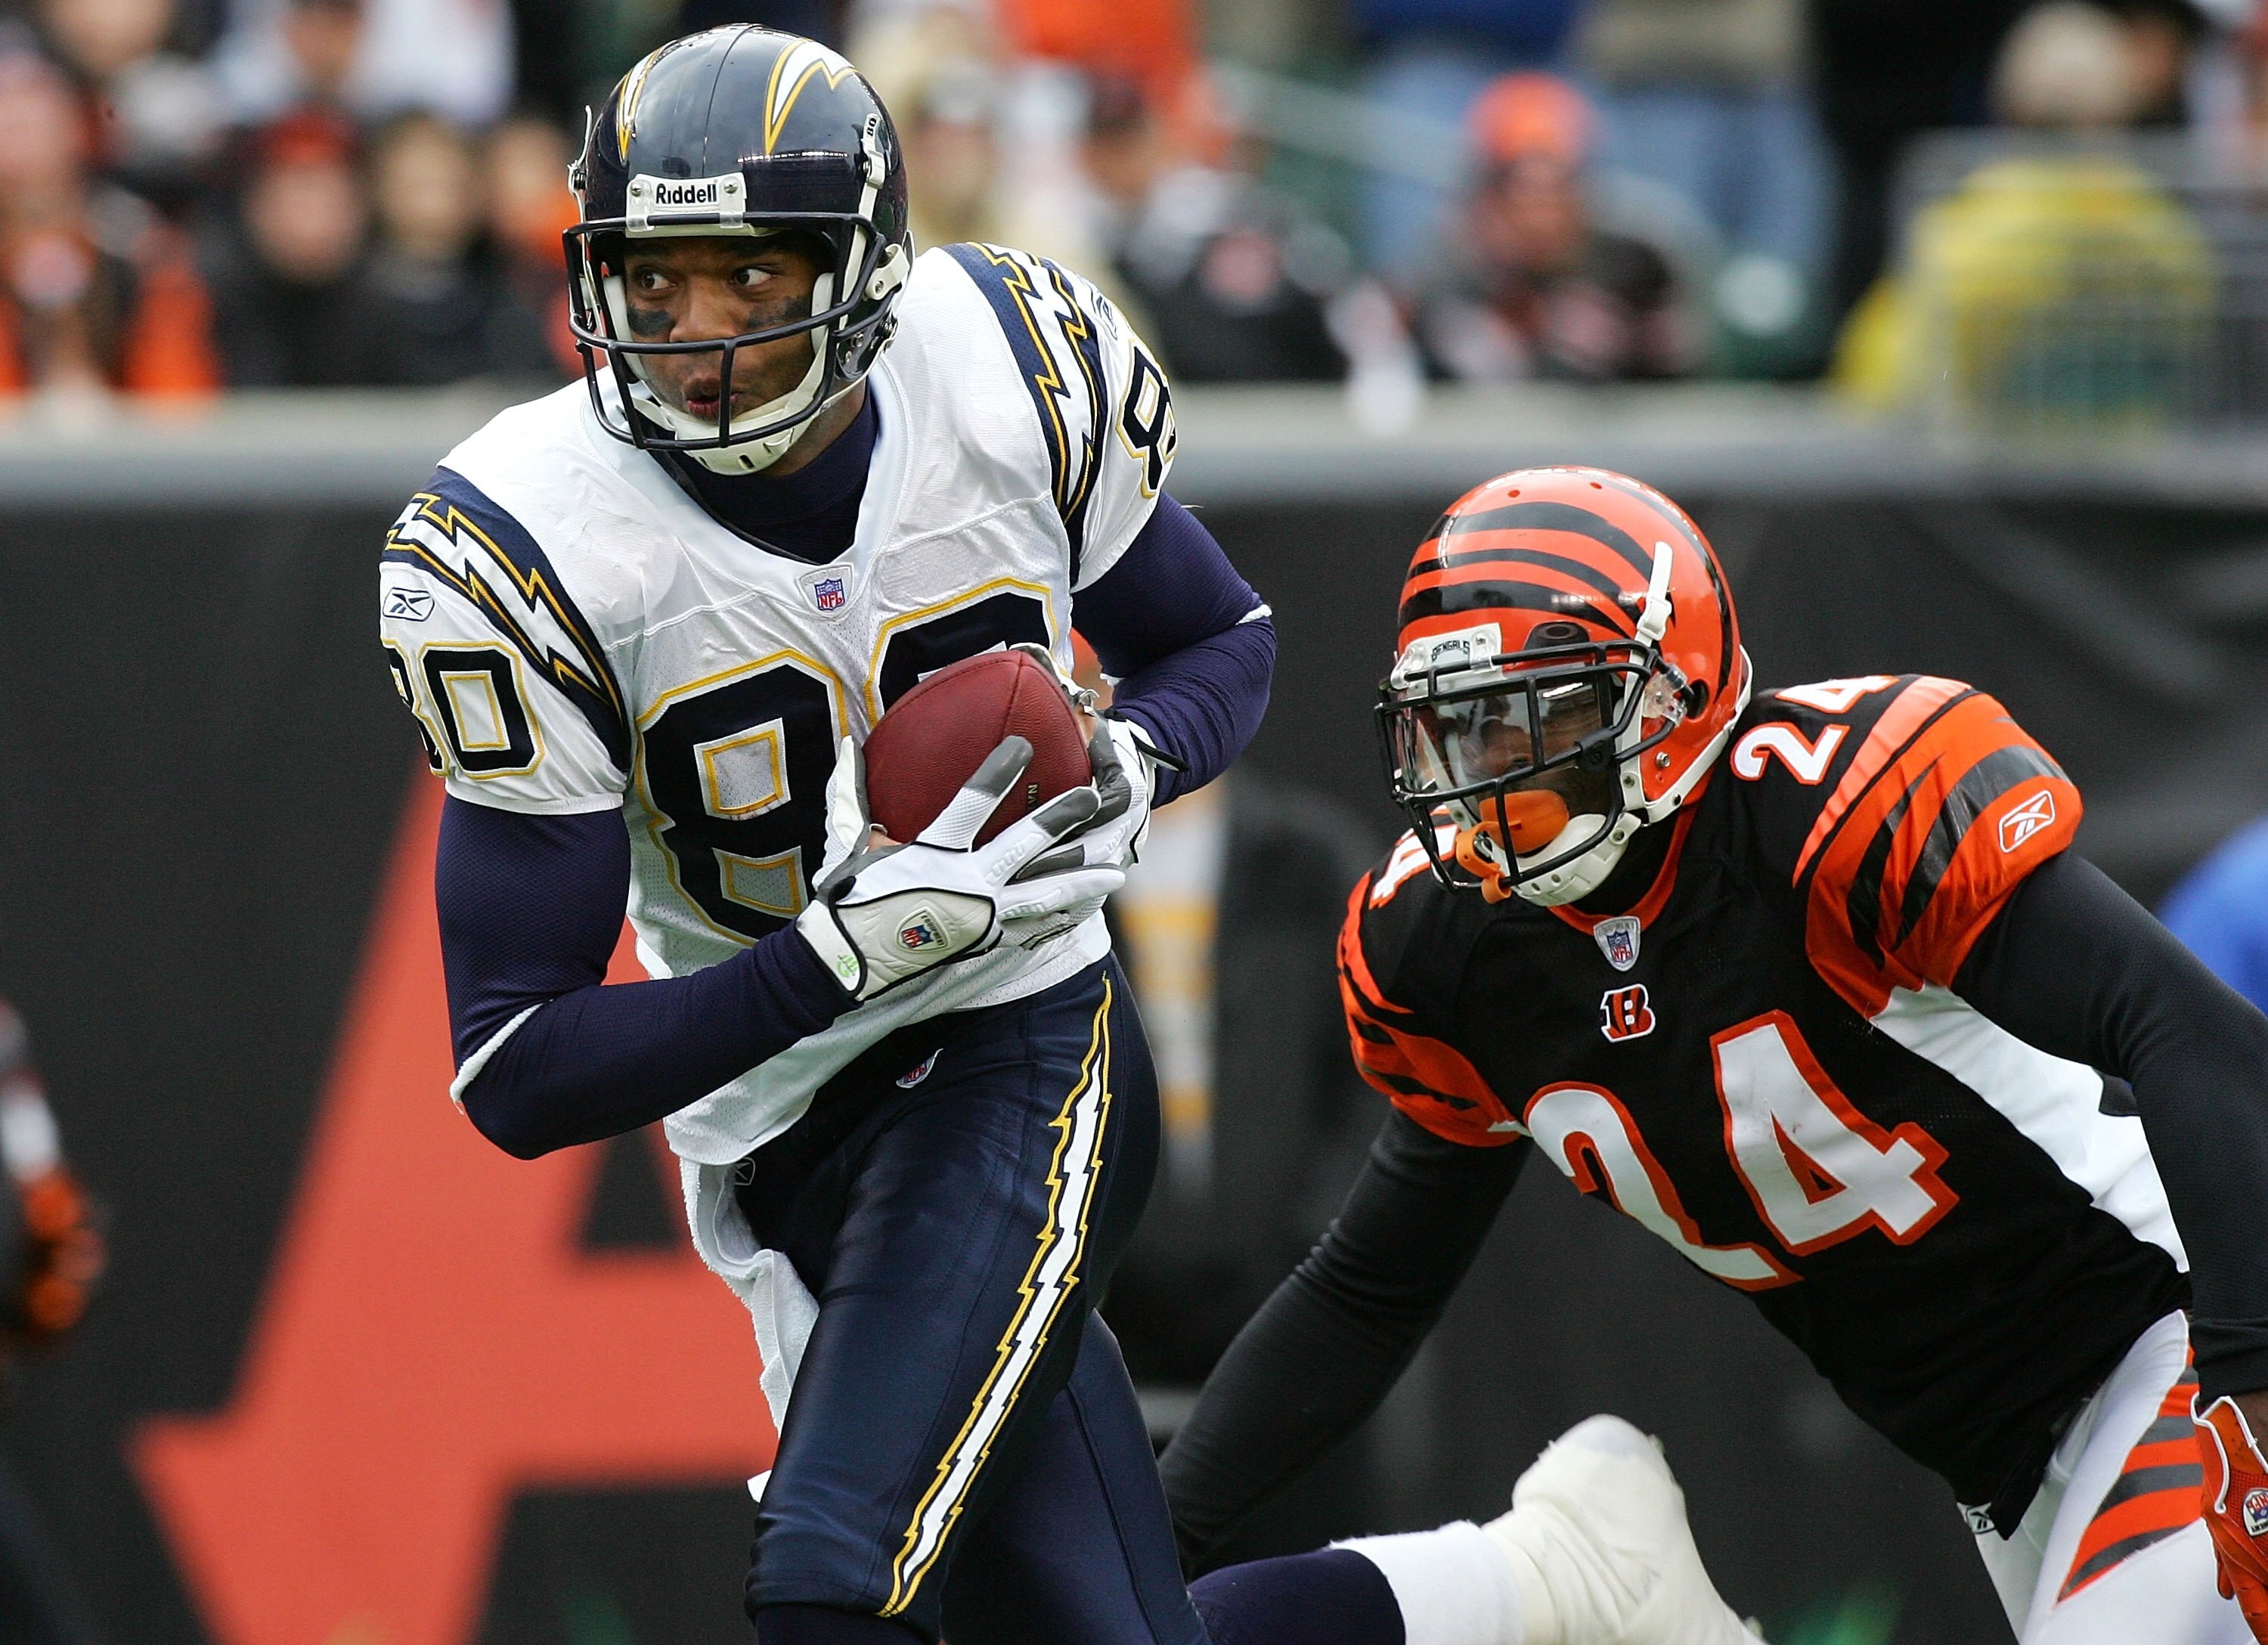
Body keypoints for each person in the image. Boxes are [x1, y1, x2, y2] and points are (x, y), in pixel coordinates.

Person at [376, 27, 1759, 1645]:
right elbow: (519, 1069)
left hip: (1019, 1035)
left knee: (832, 1576)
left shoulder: (1001, 376)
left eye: (750, 278)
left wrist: (1130, 755)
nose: (697, 337)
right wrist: (829, 959)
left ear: (862, 271)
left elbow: (1219, 638)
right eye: (657, 281)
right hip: (788, 1113)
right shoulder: (531, 542)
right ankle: (1539, 1582)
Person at [1158, 465, 2268, 1645]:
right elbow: (1365, 1293)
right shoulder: (1453, 945)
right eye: (1462, 727)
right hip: (1997, 1459)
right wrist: (1141, 1547)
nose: (1492, 776)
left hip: (2175, 1337)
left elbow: (2191, 1031)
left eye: (1540, 713)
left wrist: (2250, 1385)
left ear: (1669, 692)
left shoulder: (1820, 815)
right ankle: (1570, 1577)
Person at [1409, 73, 1693, 385]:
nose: (1541, 213)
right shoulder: (1449, 278)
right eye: (1524, 189)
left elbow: (1683, 379)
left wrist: (1634, 344)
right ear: (1489, 196)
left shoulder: (1635, 268)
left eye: (1556, 188)